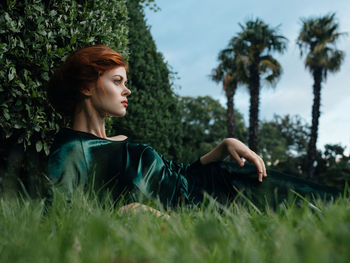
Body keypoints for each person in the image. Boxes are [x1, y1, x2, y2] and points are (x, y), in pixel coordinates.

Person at [47, 44, 340, 211]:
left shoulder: (118, 140)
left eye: (125, 82)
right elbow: (58, 214)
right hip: (202, 204)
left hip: (219, 182)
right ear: (87, 86)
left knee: (325, 202)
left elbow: (179, 174)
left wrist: (223, 146)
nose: (128, 91)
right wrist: (129, 212)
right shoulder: (72, 150)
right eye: (117, 81)